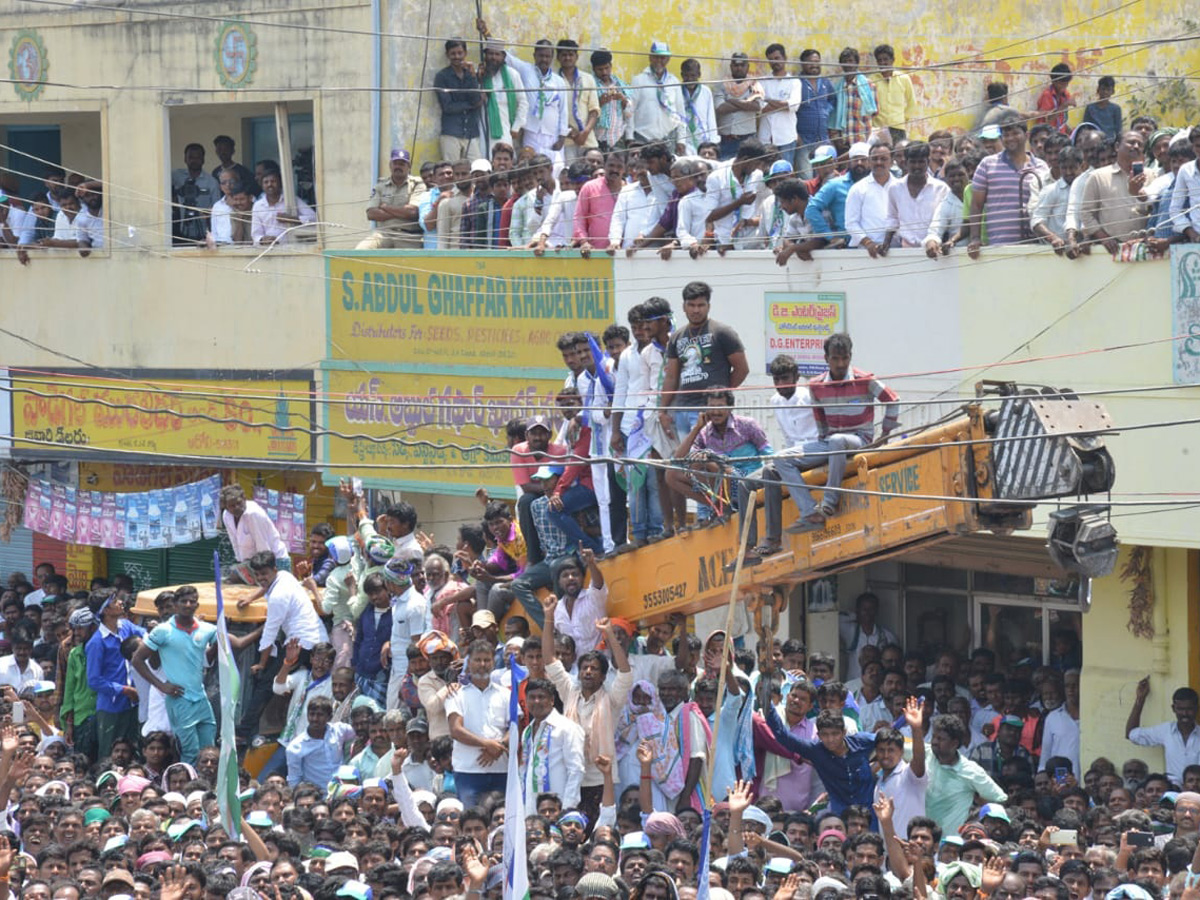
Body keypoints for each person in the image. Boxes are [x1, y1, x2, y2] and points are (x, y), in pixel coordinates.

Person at [777, 332, 900, 532]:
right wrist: (821, 451)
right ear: (826, 359)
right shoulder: (816, 386)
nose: (841, 363)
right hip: (831, 443)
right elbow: (821, 423)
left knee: (836, 441)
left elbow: (893, 400)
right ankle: (810, 513)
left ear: (850, 357)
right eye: (835, 358)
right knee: (781, 459)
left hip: (860, 440)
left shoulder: (864, 379)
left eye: (845, 358)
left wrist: (885, 436)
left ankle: (829, 502)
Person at [732, 354, 817, 567]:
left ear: (796, 377)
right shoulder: (775, 401)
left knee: (772, 472)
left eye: (785, 378)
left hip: (812, 452)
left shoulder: (809, 397)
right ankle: (748, 546)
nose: (781, 385)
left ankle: (773, 538)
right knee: (745, 484)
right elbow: (788, 438)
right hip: (790, 455)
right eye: (776, 380)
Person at [658, 281, 749, 452]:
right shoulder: (677, 337)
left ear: (709, 306)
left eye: (701, 305)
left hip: (707, 410)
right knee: (687, 463)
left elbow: (742, 369)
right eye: (691, 305)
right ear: (683, 307)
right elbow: (671, 376)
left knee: (705, 461)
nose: (696, 310)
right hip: (682, 410)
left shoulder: (722, 332)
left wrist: (720, 397)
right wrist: (662, 411)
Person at [131, 585, 217, 765]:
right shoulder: (162, 631)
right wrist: (161, 685)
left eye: (191, 601)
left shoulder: (204, 629)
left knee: (208, 750)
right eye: (183, 602)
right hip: (172, 699)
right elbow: (141, 661)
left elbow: (209, 657)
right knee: (188, 751)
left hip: (197, 697)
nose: (187, 605)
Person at [967, 112, 1049, 255]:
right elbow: (976, 205)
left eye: (1015, 133)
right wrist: (975, 238)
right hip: (1000, 248)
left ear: (1026, 135)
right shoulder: (987, 164)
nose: (1010, 138)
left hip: (1036, 246)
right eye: (1006, 135)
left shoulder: (1041, 167)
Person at [445, 639, 510, 807]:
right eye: (477, 659)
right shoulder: (456, 694)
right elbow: (456, 730)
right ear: (469, 662)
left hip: (500, 769)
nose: (482, 664)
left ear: (494, 662)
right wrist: (487, 744)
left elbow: (516, 727)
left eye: (487, 660)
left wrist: (499, 746)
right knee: (471, 821)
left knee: (501, 822)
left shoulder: (505, 694)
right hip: (468, 771)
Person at [84, 588, 144, 759]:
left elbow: (146, 636)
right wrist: (124, 690)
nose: (120, 603)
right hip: (112, 706)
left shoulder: (125, 626)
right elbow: (94, 681)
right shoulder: (97, 643)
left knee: (134, 749)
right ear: (105, 611)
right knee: (110, 752)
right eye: (115, 602)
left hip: (134, 703)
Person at [925, 713, 1008, 833]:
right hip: (923, 840)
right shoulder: (925, 753)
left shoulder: (971, 771)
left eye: (940, 739)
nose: (934, 742)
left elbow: (1000, 799)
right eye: (934, 737)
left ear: (954, 743)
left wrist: (978, 808)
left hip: (952, 843)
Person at [1080, 130, 1152, 254]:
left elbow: (1156, 208)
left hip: (1145, 249)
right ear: (1117, 147)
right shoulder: (1098, 176)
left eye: (1139, 144)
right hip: (1111, 250)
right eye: (1131, 142)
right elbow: (1086, 213)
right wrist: (1104, 238)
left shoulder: (1151, 175)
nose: (1136, 146)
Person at [1126, 679, 1200, 785]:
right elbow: (1131, 734)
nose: (1185, 713)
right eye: (1180, 709)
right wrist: (1140, 699)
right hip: (1173, 792)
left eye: (1189, 709)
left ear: (1197, 708)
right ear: (1173, 709)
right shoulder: (1165, 731)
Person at [356, 149, 427, 249]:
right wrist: (401, 212)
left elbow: (412, 212)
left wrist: (385, 207)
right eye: (395, 163)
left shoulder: (417, 184)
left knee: (410, 263)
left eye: (402, 164)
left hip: (408, 236)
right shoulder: (380, 186)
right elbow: (371, 214)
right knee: (360, 250)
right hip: (384, 234)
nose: (398, 167)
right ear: (390, 165)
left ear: (409, 166)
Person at [285, 695, 354, 789]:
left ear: (329, 717)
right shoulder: (295, 747)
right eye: (312, 714)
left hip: (341, 793)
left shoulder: (340, 730)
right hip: (318, 797)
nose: (315, 719)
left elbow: (361, 732)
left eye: (320, 715)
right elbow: (294, 779)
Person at [219, 484, 290, 577]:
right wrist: (241, 563)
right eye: (232, 506)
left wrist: (263, 572)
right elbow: (234, 541)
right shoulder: (226, 516)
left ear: (244, 499)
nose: (236, 507)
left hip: (274, 561)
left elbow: (263, 546)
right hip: (251, 563)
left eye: (239, 503)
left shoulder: (253, 514)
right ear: (227, 507)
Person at [845, 143, 899, 254]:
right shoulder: (858, 188)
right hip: (866, 253)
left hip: (898, 250)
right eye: (874, 159)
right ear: (869, 161)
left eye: (883, 159)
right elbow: (851, 223)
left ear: (892, 161)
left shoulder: (900, 187)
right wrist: (868, 243)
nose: (879, 162)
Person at [434, 39, 482, 161]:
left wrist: (472, 76)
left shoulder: (470, 74)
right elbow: (448, 107)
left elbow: (476, 98)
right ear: (447, 55)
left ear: (465, 53)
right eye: (453, 54)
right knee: (451, 171)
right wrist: (471, 105)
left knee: (476, 169)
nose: (457, 57)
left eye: (460, 53)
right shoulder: (442, 77)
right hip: (451, 132)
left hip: (471, 132)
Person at [631, 42, 684, 154]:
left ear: (668, 59)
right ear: (650, 57)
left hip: (668, 137)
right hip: (643, 137)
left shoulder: (673, 82)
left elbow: (680, 112)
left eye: (663, 58)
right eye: (656, 57)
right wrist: (629, 138)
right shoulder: (639, 80)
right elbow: (630, 111)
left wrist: (681, 140)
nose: (659, 61)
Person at [478, 41, 528, 157]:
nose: (493, 58)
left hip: (505, 130)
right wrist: (479, 79)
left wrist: (516, 126)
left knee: (503, 162)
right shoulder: (479, 74)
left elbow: (523, 102)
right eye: (490, 54)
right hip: (482, 129)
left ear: (503, 57)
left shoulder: (512, 75)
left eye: (497, 54)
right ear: (485, 55)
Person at [757, 45, 802, 168]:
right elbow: (760, 108)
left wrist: (769, 100)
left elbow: (793, 105)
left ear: (785, 58)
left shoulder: (794, 82)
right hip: (766, 138)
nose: (774, 62)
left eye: (777, 58)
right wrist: (782, 104)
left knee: (785, 173)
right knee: (765, 174)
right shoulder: (762, 81)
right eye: (771, 59)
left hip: (787, 137)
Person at [251, 162, 316, 245]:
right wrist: (263, 240)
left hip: (290, 249)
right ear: (262, 185)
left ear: (280, 183)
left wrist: (292, 219)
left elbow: (314, 218)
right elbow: (256, 234)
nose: (270, 184)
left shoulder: (291, 200)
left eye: (273, 181)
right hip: (267, 251)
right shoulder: (258, 206)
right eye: (266, 182)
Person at [714, 52, 762, 161]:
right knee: (725, 171)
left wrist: (731, 101)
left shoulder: (754, 85)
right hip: (727, 140)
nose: (739, 68)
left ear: (747, 67)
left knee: (749, 171)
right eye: (736, 65)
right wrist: (745, 103)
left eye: (742, 65)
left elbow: (756, 106)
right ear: (731, 66)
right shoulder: (722, 84)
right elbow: (720, 108)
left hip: (748, 138)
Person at [839, 593, 899, 680]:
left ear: (877, 611)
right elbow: (835, 618)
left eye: (871, 609)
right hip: (854, 683)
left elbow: (894, 663)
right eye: (864, 609)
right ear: (858, 610)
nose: (868, 613)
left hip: (877, 683)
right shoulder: (850, 631)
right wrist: (855, 616)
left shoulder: (887, 637)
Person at [869, 45, 917, 142]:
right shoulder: (872, 80)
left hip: (898, 128)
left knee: (898, 155)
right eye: (880, 60)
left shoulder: (903, 78)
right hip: (878, 128)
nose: (883, 63)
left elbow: (912, 102)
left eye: (885, 59)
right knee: (879, 155)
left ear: (892, 60)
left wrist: (903, 119)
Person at [830, 48, 877, 147]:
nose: (848, 64)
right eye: (845, 61)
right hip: (843, 141)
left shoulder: (868, 86)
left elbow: (874, 112)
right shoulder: (837, 88)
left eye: (851, 61)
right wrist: (835, 138)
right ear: (841, 64)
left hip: (863, 139)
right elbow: (833, 116)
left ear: (856, 63)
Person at [1036, 63, 1076, 135]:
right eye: (1062, 83)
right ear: (1054, 81)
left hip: (1059, 135)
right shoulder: (1047, 95)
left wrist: (1072, 134)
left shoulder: (1065, 94)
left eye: (1066, 83)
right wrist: (1064, 105)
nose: (1065, 86)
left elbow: (1061, 122)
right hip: (1047, 135)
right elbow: (1048, 120)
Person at [1083, 76, 1122, 140]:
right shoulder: (1090, 108)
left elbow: (1118, 130)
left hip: (1109, 142)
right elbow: (1085, 127)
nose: (1105, 92)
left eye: (1108, 90)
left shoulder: (1116, 109)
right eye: (1103, 89)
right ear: (1098, 90)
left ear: (1112, 91)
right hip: (1094, 141)